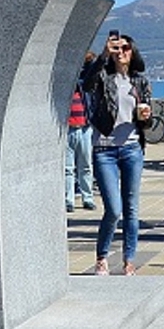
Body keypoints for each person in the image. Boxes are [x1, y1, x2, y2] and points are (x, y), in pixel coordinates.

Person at [83, 33, 152, 275]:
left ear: (133, 53)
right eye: (117, 48)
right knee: (113, 208)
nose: (121, 52)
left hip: (132, 148)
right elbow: (87, 82)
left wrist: (146, 117)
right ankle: (102, 257)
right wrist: (103, 54)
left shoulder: (139, 81)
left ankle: (129, 259)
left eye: (125, 48)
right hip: (104, 149)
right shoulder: (103, 76)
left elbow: (146, 121)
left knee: (131, 208)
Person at [65, 53, 96, 213]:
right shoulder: (63, 87)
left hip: (84, 127)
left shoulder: (84, 85)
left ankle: (87, 197)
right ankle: (68, 198)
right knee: (68, 167)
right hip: (68, 128)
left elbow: (92, 70)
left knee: (86, 166)